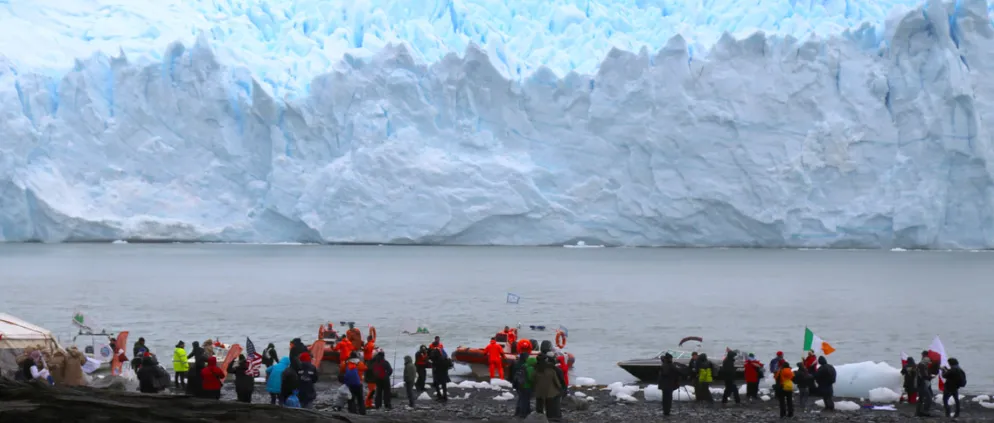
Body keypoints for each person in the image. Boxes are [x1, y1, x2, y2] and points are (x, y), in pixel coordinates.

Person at [533, 353, 564, 420]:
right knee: (549, 405)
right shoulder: (551, 370)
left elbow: (534, 380)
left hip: (539, 391)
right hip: (549, 391)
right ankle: (550, 417)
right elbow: (556, 381)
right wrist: (560, 387)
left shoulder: (535, 369)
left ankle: (539, 417)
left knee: (539, 405)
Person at [512, 351, 536, 418]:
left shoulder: (522, 365)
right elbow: (531, 378)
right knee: (525, 399)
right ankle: (524, 412)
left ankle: (519, 411)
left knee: (521, 398)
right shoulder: (530, 368)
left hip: (519, 384)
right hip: (526, 386)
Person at [657, 352, 681, 416]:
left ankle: (665, 411)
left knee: (665, 398)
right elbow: (676, 374)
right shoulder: (671, 366)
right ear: (670, 359)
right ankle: (667, 411)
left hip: (664, 385)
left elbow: (663, 374)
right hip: (669, 384)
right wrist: (677, 382)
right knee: (668, 398)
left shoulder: (664, 365)